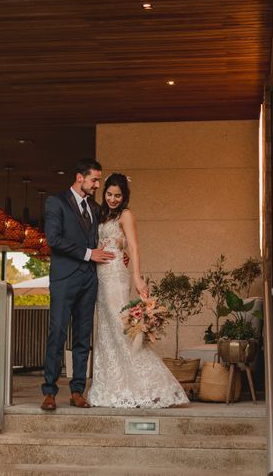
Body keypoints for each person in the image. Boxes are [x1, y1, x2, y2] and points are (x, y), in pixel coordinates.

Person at [87, 173, 188, 408]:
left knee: (120, 327)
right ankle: (112, 387)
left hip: (115, 275)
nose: (113, 199)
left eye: (118, 195)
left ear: (125, 197)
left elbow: (134, 246)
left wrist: (137, 277)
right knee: (105, 330)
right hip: (100, 275)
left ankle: (150, 384)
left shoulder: (126, 215)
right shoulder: (102, 214)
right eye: (109, 194)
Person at [40, 158, 115, 411]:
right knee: (57, 333)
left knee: (83, 337)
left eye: (98, 180)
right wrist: (88, 254)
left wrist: (116, 252)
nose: (97, 185)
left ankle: (77, 391)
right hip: (64, 279)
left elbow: (100, 239)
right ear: (79, 177)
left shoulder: (94, 208)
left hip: (89, 280)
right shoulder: (56, 202)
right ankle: (49, 391)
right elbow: (54, 239)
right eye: (94, 180)